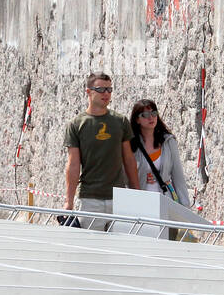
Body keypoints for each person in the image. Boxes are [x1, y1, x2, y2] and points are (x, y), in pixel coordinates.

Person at [63, 73, 139, 231]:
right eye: (101, 89)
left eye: (109, 90)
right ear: (88, 92)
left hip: (119, 199)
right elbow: (73, 164)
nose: (106, 94)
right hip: (90, 199)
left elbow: (129, 160)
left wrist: (136, 194)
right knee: (91, 250)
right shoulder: (76, 124)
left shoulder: (121, 121)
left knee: (121, 250)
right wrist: (68, 202)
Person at [129, 99, 192, 238]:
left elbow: (178, 175)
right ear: (137, 120)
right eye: (145, 115)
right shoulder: (130, 146)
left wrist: (185, 207)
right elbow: (125, 175)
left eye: (154, 113)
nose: (151, 117)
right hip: (141, 205)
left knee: (167, 245)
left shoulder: (168, 141)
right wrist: (143, 175)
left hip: (165, 202)